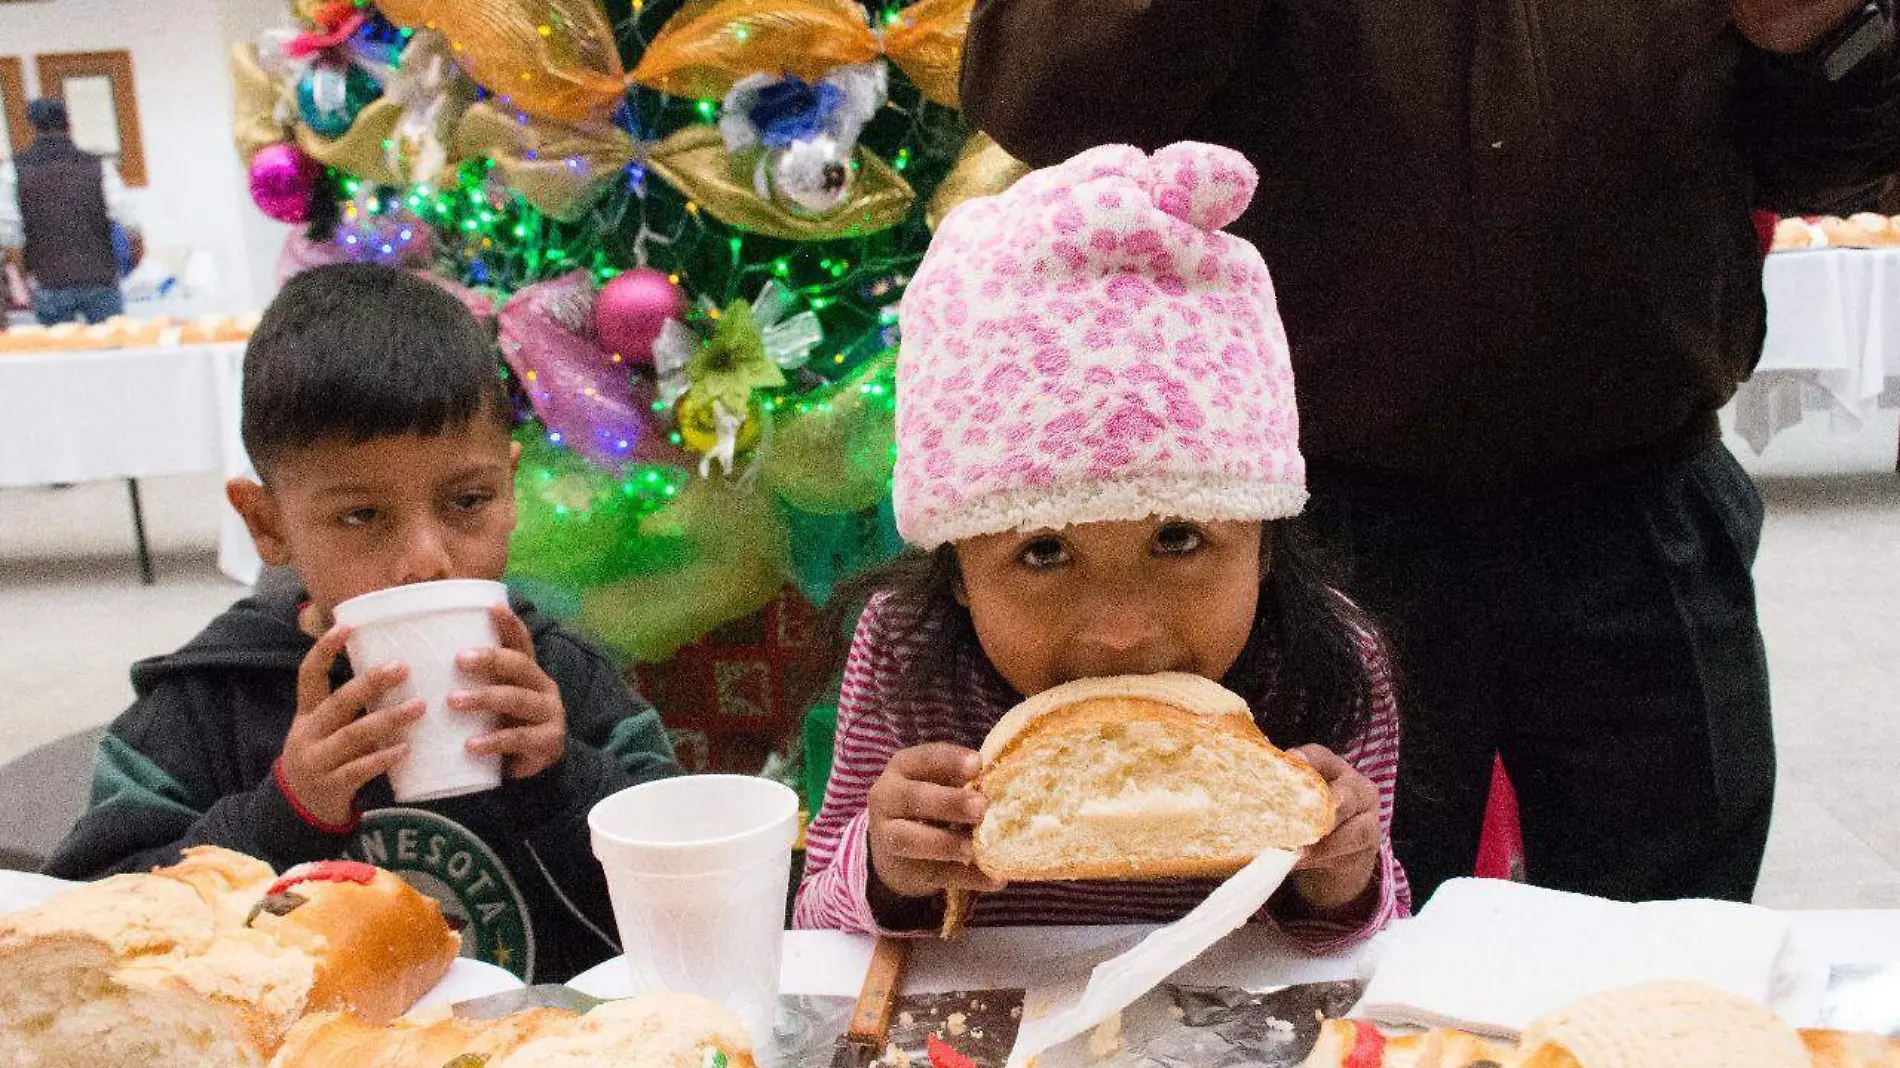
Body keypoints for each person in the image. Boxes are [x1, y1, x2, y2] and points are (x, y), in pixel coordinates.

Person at [960, 0, 1900, 905]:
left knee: (1667, 942)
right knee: (1296, 941)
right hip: (1312, 519)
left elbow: (1834, 168)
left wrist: (1821, 37)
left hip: (1641, 496)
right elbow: (1040, 104)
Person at [796, 143, 1408, 949]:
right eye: (1043, 552)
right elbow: (817, 924)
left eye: (1180, 537)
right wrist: (884, 865)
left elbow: (1370, 932)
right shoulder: (906, 652)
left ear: (1263, 543)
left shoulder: (1330, 657)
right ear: (958, 576)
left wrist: (1344, 876)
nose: (1121, 631)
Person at [45, 263, 680, 983]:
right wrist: (281, 816)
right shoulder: (199, 714)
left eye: (467, 501)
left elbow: (690, 904)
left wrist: (561, 782)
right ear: (268, 523)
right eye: (361, 515)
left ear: (508, 488)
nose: (425, 560)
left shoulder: (565, 682)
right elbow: (88, 950)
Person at [0, 98, 142, 325]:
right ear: (68, 125)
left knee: (61, 356)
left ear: (32, 127)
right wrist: (133, 261)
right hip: (100, 279)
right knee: (113, 353)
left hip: (49, 282)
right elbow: (130, 221)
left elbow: (9, 236)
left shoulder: (12, 171)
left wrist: (22, 278)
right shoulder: (98, 165)